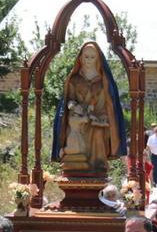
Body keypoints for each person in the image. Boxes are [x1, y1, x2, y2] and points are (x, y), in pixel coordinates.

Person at [52, 41, 127, 173]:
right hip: (78, 119)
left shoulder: (103, 80)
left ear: (98, 58)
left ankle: (97, 168)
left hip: (97, 118)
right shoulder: (74, 79)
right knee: (76, 132)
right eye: (86, 56)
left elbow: (109, 105)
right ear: (81, 57)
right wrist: (73, 106)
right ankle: (74, 161)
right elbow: (69, 100)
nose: (89, 60)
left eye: (92, 57)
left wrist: (98, 116)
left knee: (98, 132)